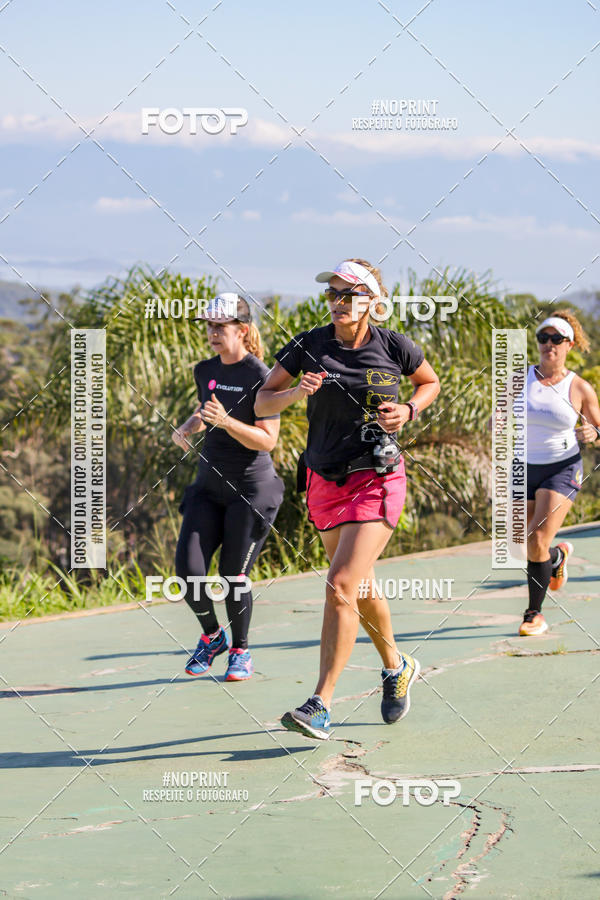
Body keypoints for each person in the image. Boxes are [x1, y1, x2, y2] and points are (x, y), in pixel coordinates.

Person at [255, 259, 440, 738]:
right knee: (358, 585)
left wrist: (408, 409)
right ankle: (396, 665)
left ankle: (320, 703)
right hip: (323, 478)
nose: (338, 302)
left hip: (377, 476)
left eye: (349, 293)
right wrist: (297, 391)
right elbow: (261, 401)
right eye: (332, 294)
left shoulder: (395, 345)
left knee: (340, 583)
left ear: (372, 301)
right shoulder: (309, 345)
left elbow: (429, 383)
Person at [172, 293, 284, 680]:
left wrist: (226, 423)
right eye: (210, 326)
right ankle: (211, 637)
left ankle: (241, 650)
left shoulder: (262, 376)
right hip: (208, 487)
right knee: (188, 571)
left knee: (233, 576)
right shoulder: (204, 370)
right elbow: (209, 406)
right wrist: (191, 425)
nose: (213, 333)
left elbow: (267, 439)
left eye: (221, 327)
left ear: (243, 330)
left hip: (251, 491)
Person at [519, 311, 600, 636]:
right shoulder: (519, 379)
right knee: (527, 543)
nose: (548, 345)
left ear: (568, 344)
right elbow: (499, 414)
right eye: (543, 338)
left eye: (556, 339)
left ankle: (533, 614)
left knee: (536, 537)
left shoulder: (579, 386)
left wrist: (592, 433)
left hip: (562, 467)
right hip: (524, 466)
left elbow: (596, 425)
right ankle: (557, 556)